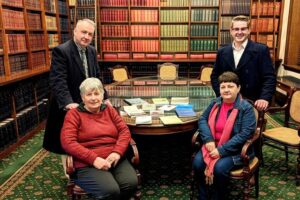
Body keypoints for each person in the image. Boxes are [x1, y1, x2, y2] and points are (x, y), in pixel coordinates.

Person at [61, 78, 138, 199]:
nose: (93, 98)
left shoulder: (109, 110)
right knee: (110, 190)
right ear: (82, 97)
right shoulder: (73, 114)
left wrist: (117, 152)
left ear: (102, 95)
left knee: (130, 184)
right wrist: (94, 159)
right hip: (87, 163)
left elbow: (124, 131)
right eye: (89, 94)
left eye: (97, 93)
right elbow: (68, 142)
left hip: (114, 158)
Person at [43, 18, 108, 155]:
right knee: (66, 143)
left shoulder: (91, 51)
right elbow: (58, 81)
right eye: (83, 32)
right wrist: (68, 103)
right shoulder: (61, 51)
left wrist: (105, 97)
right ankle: (69, 174)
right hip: (69, 105)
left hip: (87, 103)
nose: (86, 37)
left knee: (85, 140)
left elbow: (96, 77)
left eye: (90, 34)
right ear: (75, 32)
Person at [192, 72, 256, 200]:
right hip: (212, 145)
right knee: (198, 163)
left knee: (219, 169)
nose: (226, 90)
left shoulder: (246, 108)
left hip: (236, 151)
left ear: (238, 88)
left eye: (230, 86)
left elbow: (244, 134)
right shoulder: (215, 103)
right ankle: (203, 196)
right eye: (223, 87)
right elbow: (202, 119)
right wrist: (208, 139)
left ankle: (218, 196)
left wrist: (221, 150)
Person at [211, 15, 276, 111]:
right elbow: (215, 76)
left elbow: (269, 77)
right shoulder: (222, 51)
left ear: (249, 30)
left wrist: (264, 98)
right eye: (236, 29)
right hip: (227, 100)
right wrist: (221, 94)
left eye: (243, 29)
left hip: (252, 102)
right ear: (231, 31)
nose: (239, 32)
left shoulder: (261, 50)